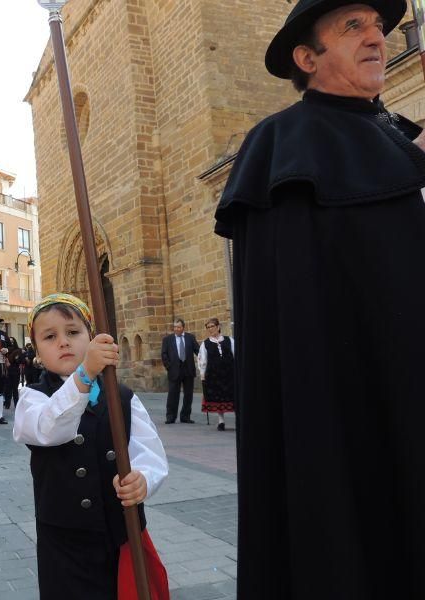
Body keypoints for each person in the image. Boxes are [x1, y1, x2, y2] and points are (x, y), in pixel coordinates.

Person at [215, 1, 425, 597]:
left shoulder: (396, 134)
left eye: (380, 27)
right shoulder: (284, 144)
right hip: (345, 407)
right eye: (353, 27)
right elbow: (298, 309)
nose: (377, 38)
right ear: (307, 58)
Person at [13, 294, 170, 599]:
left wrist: (142, 479)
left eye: (73, 332)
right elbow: (51, 428)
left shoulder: (122, 396)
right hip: (65, 541)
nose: (63, 342)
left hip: (119, 534)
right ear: (37, 351)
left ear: (91, 336)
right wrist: (84, 375)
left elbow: (149, 452)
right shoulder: (32, 398)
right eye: (50, 336)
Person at [198, 318, 234, 431]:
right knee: (218, 397)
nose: (210, 329)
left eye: (212, 326)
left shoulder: (229, 340)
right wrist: (202, 374)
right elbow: (202, 360)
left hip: (230, 373)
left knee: (233, 396)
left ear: (218, 327)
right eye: (208, 327)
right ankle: (221, 421)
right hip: (214, 375)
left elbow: (235, 354)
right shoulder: (206, 344)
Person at [160, 319, 199, 424]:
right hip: (174, 370)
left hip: (188, 370)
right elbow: (164, 355)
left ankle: (185, 416)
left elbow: (198, 351)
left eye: (178, 327)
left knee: (188, 395)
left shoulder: (190, 338)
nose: (176, 329)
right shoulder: (167, 339)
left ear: (183, 327)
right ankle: (170, 417)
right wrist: (169, 367)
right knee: (173, 394)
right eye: (175, 327)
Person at [3, 337, 25, 409]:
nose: (11, 343)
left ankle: (17, 404)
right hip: (7, 371)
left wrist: (15, 359)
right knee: (7, 388)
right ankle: (7, 404)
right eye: (10, 341)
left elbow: (20, 360)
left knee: (15, 389)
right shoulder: (6, 351)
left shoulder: (18, 350)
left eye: (12, 341)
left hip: (15, 371)